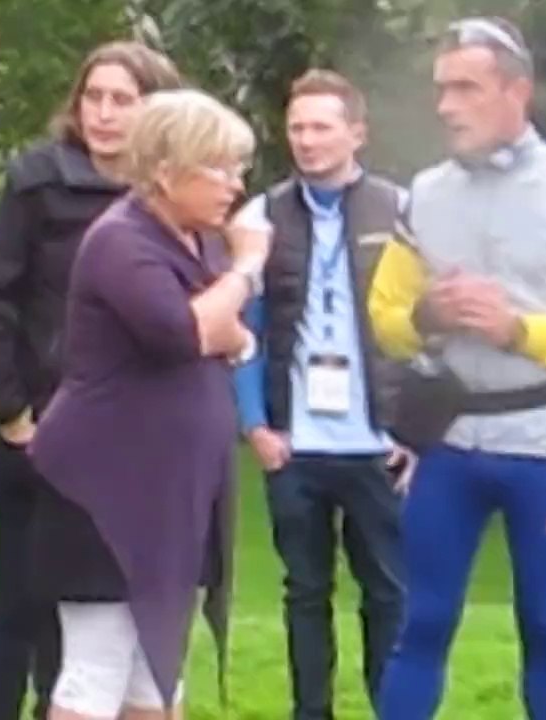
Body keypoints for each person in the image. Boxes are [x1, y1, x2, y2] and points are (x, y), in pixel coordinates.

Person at [28, 88, 269, 720]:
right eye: (219, 167)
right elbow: (184, 333)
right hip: (103, 491)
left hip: (168, 491)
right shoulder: (121, 241)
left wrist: (227, 329)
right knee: (96, 667)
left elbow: (229, 334)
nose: (235, 184)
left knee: (157, 677)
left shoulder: (197, 242)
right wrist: (246, 269)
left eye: (239, 168)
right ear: (165, 170)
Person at [0, 41, 182, 720]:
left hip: (135, 445)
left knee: (110, 618)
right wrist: (12, 412)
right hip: (43, 429)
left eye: (122, 100)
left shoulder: (172, 194)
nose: (104, 114)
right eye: (94, 97)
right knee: (21, 607)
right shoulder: (39, 182)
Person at [369, 17, 546, 720]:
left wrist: (519, 330)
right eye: (441, 89)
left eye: (466, 89)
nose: (446, 106)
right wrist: (428, 315)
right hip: (451, 444)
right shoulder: (425, 194)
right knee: (423, 622)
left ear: (517, 91)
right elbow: (386, 318)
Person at [232, 69, 406, 720]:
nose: (307, 140)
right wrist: (255, 425)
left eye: (321, 127)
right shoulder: (261, 217)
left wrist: (414, 431)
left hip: (377, 445)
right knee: (305, 593)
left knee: (388, 593)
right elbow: (244, 331)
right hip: (295, 445)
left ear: (357, 133)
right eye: (297, 127)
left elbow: (426, 332)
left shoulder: (400, 211)